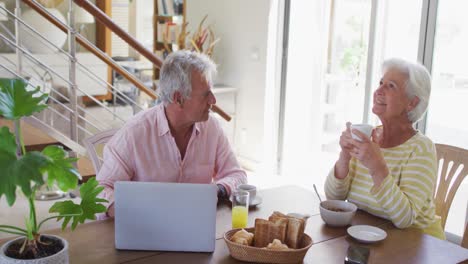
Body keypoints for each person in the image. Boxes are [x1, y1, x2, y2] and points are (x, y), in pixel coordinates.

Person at [97, 50, 247, 218]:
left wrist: (218, 190)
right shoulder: (134, 133)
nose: (213, 100)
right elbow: (101, 189)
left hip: (196, 226)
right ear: (178, 98)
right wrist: (134, 215)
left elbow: (237, 175)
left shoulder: (212, 128)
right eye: (206, 94)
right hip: (146, 231)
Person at [324, 58, 444, 239]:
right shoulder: (367, 137)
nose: (378, 91)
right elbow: (334, 198)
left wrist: (377, 167)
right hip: (366, 236)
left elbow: (405, 219)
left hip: (415, 245)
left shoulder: (421, 148)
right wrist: (345, 157)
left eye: (391, 86)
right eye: (381, 83)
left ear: (412, 102)